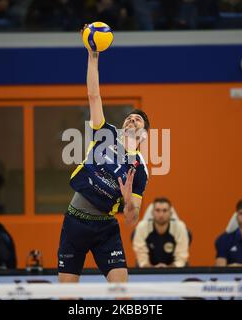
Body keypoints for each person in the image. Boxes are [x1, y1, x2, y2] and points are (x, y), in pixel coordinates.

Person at [57, 26, 150, 283]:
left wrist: (128, 198)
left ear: (144, 136)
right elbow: (93, 94)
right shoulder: (105, 134)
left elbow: (132, 220)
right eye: (130, 118)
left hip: (105, 227)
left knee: (121, 287)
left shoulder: (140, 170)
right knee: (67, 293)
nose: (132, 120)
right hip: (75, 220)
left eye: (138, 121)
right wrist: (93, 54)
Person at [133, 197, 189, 267]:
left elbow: (181, 259)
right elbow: (142, 260)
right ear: (152, 212)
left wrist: (166, 270)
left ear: (171, 213)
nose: (161, 214)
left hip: (175, 272)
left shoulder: (180, 227)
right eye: (157, 210)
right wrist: (154, 270)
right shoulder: (142, 227)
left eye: (165, 210)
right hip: (148, 272)